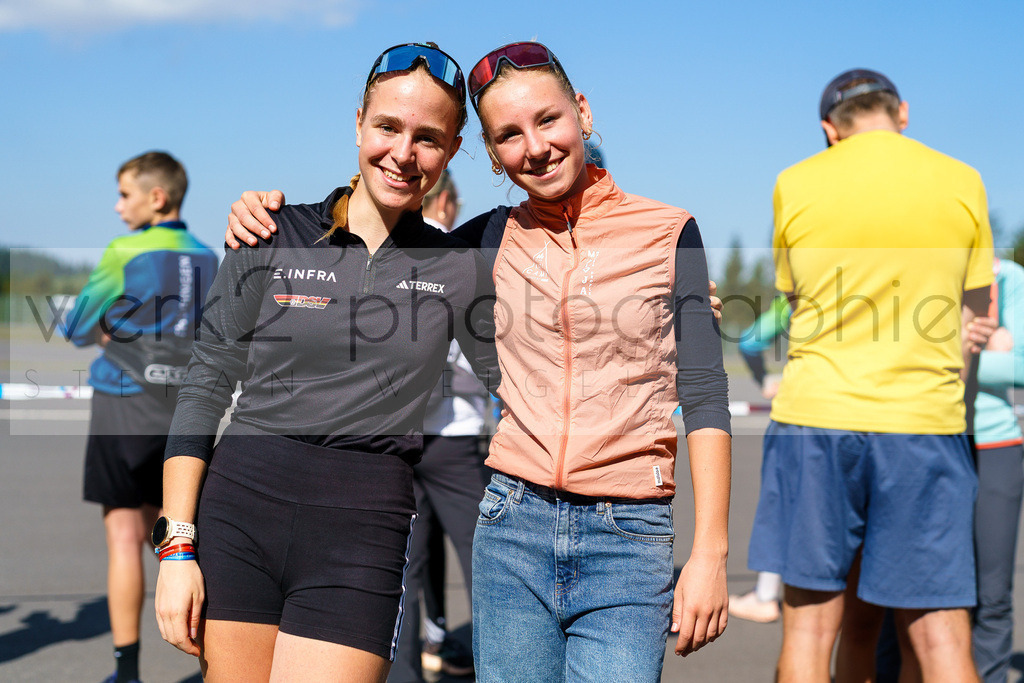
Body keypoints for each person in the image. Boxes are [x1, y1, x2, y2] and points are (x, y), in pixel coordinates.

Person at [227, 41, 732, 681]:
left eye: (548, 120)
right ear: (492, 154)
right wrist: (271, 213)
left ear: (582, 110)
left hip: (628, 537)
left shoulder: (669, 231)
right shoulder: (483, 241)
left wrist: (710, 552)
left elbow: (707, 393)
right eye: (509, 135)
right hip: (511, 529)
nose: (535, 147)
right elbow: (383, 241)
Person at [154, 43, 499, 683]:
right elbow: (204, 388)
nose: (403, 153)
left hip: (363, 530)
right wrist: (177, 547)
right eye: (388, 127)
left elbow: (528, 383)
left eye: (428, 138)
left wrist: (662, 316)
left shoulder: (457, 268)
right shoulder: (271, 231)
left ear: (451, 152)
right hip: (240, 512)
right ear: (359, 122)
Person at [748, 68, 994, 682]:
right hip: (923, 423)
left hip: (816, 420)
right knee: (940, 640)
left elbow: (798, 303)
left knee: (810, 631)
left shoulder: (795, 181)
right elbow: (976, 317)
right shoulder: (963, 180)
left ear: (830, 129)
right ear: (901, 112)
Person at [64, 151, 218, 683]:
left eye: (124, 194)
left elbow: (76, 325)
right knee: (176, 539)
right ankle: (211, 664)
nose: (117, 205)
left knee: (125, 539)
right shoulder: (206, 256)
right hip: (182, 413)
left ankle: (126, 672)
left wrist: (110, 327)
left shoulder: (125, 249)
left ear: (157, 197)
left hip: (122, 405)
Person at [393, 170, 487, 682]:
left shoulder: (387, 250)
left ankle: (408, 668)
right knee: (485, 560)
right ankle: (494, 662)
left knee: (404, 568)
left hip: (397, 438)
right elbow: (481, 363)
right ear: (446, 199)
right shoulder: (456, 258)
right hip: (455, 436)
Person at [728, 294, 791, 624]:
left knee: (780, 500)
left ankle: (766, 594)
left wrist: (766, 378)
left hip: (806, 415)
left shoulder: (792, 297)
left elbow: (751, 342)